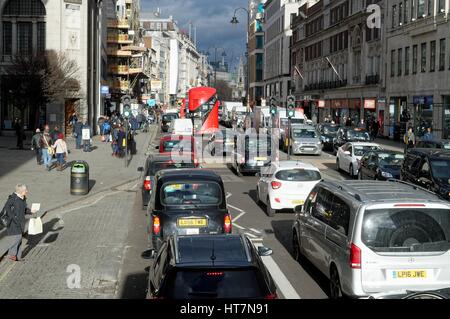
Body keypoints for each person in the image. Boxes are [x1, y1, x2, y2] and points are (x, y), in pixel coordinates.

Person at [4, 184, 37, 261]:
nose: (27, 191)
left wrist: (31, 211)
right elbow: (6, 208)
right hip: (12, 222)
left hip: (20, 222)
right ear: (21, 191)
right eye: (25, 190)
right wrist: (13, 217)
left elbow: (24, 209)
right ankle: (11, 254)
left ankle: (18, 257)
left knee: (19, 239)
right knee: (17, 237)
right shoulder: (13, 199)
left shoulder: (23, 198)